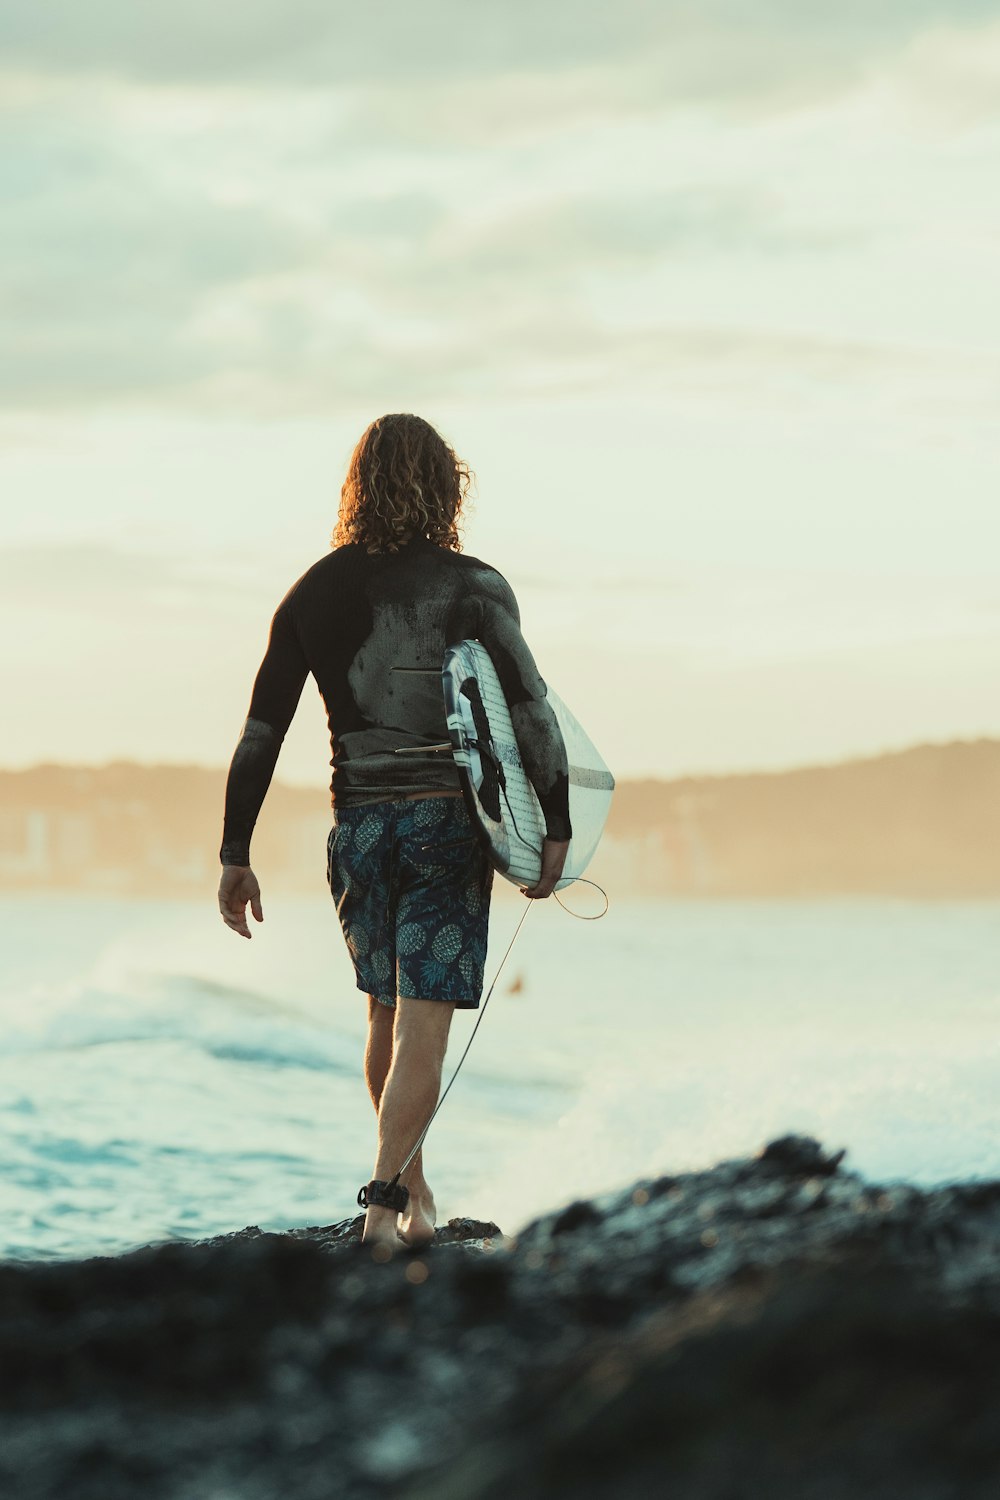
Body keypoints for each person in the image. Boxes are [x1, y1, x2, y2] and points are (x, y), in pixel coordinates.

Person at [217, 413, 571, 1251]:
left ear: (357, 485)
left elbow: (260, 731)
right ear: (449, 486)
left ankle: (416, 1200)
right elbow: (529, 708)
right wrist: (553, 825)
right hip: (442, 827)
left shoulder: (313, 592)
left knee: (384, 1014)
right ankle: (383, 1207)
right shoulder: (473, 586)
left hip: (356, 831)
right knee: (423, 1021)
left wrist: (236, 852)